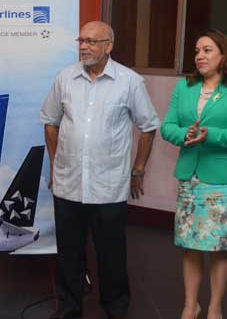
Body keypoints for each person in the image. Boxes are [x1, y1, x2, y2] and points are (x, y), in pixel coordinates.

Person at [40, 21, 160, 319]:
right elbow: (51, 122)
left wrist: (138, 169)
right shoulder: (65, 78)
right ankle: (69, 308)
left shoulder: (130, 82)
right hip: (69, 183)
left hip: (108, 186)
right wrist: (56, 165)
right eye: (81, 40)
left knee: (111, 256)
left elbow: (148, 127)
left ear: (109, 46)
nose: (83, 46)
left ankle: (116, 310)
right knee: (69, 254)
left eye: (92, 41)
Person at [161, 29, 227, 319]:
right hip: (189, 177)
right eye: (197, 51)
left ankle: (215, 307)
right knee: (189, 246)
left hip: (223, 180)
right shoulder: (184, 87)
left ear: (224, 56)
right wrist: (184, 133)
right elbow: (167, 126)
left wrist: (209, 135)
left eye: (207, 50)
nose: (199, 56)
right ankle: (191, 305)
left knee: (219, 246)